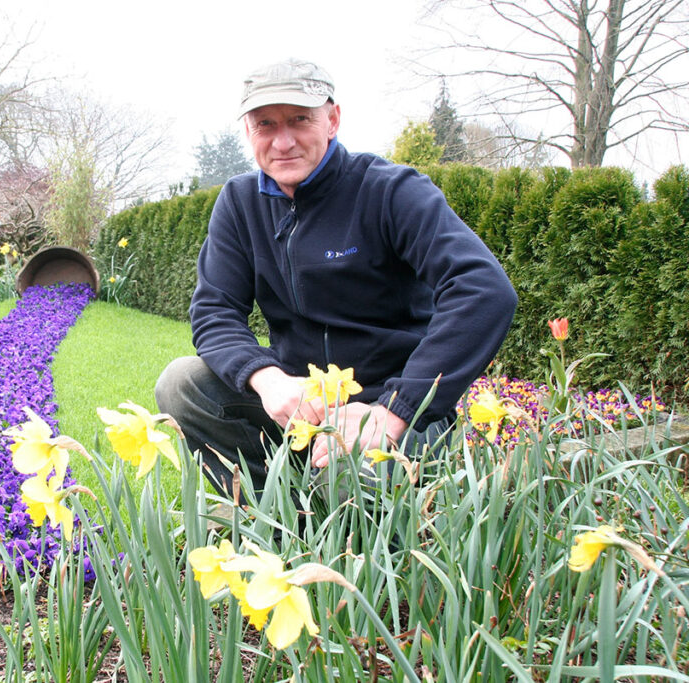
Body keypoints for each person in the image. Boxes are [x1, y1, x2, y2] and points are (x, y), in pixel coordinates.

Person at [155, 58, 518, 497]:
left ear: (333, 119)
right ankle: (271, 515)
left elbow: (483, 289)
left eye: (300, 120)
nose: (283, 141)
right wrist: (269, 380)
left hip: (391, 405)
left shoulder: (390, 191)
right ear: (249, 132)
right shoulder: (239, 203)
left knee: (348, 485)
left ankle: (348, 525)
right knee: (181, 384)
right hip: (301, 403)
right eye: (265, 124)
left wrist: (394, 411)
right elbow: (215, 311)